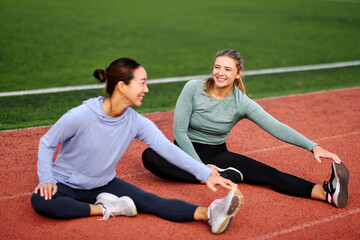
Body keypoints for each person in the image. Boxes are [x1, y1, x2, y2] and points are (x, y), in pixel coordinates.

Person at [30, 57, 244, 235]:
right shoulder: (82, 115)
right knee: (41, 201)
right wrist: (47, 179)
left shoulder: (136, 122)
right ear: (122, 86)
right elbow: (47, 142)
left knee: (150, 201)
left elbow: (167, 149)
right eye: (141, 83)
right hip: (66, 183)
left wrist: (204, 173)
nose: (146, 89)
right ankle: (107, 207)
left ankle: (210, 213)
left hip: (104, 183)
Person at [142, 49, 350, 208]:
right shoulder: (193, 88)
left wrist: (313, 147)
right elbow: (180, 132)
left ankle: (327, 193)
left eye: (227, 69)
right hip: (183, 151)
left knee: (270, 175)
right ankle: (218, 174)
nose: (220, 73)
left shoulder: (242, 103)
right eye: (217, 67)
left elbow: (276, 127)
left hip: (217, 154)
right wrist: (200, 167)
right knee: (150, 156)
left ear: (238, 74)